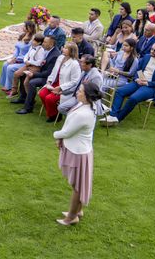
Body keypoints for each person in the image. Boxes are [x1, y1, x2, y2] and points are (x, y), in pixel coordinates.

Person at [54, 82, 100, 226]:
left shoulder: (84, 113)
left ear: (87, 96)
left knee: (77, 187)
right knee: (77, 185)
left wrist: (56, 134)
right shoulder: (83, 106)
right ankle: (78, 211)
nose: (77, 93)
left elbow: (67, 131)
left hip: (79, 153)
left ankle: (71, 217)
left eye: (80, 91)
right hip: (75, 148)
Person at [102, 43, 155, 125]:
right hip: (139, 82)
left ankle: (118, 118)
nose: (152, 51)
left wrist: (148, 83)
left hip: (153, 87)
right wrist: (137, 78)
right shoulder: (147, 57)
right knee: (119, 92)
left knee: (133, 98)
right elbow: (138, 70)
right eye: (151, 49)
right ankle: (112, 115)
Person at [14, 36, 60, 114]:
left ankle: (28, 107)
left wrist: (34, 74)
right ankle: (23, 97)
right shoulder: (47, 50)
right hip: (41, 71)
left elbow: (49, 73)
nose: (43, 43)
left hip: (48, 78)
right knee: (22, 74)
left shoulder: (55, 55)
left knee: (32, 83)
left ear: (51, 44)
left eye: (45, 42)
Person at [38, 42, 81, 122]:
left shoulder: (75, 64)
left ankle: (55, 116)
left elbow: (75, 81)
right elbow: (54, 71)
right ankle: (52, 112)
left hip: (64, 86)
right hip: (54, 83)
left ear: (71, 51)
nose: (63, 49)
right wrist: (49, 81)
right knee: (42, 93)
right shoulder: (60, 57)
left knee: (49, 98)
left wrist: (61, 87)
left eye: (65, 48)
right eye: (64, 47)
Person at [0, 22, 36, 93]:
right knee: (5, 65)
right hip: (17, 58)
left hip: (24, 61)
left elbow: (29, 53)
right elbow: (17, 49)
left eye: (24, 26)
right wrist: (13, 58)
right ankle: (6, 85)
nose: (23, 28)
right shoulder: (22, 36)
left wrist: (18, 59)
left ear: (28, 28)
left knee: (10, 68)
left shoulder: (32, 39)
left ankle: (10, 88)